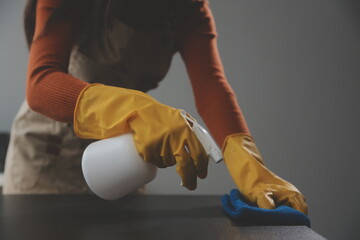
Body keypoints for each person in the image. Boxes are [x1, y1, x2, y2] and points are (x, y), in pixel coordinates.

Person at [3, 0, 307, 214]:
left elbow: (212, 87)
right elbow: (41, 84)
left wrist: (250, 166)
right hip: (46, 155)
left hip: (121, 159)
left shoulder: (190, 9)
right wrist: (139, 109)